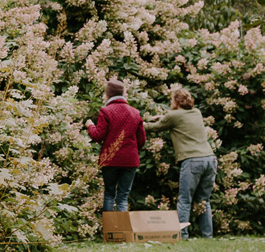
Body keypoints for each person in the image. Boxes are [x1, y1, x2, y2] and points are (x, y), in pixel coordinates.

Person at [144, 87, 217, 239]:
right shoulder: (196, 112)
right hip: (210, 158)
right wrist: (161, 117)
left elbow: (155, 128)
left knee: (185, 199)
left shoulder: (173, 115)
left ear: (176, 101)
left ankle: (182, 235)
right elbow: (175, 119)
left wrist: (139, 123)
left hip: (192, 160)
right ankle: (207, 236)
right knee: (204, 200)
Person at [86, 79, 145, 212]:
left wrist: (90, 125)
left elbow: (97, 136)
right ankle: (122, 231)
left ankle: (109, 230)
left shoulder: (106, 111)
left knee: (109, 194)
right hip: (130, 159)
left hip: (110, 159)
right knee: (123, 196)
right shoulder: (135, 112)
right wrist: (132, 150)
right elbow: (141, 140)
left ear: (107, 95)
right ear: (123, 93)